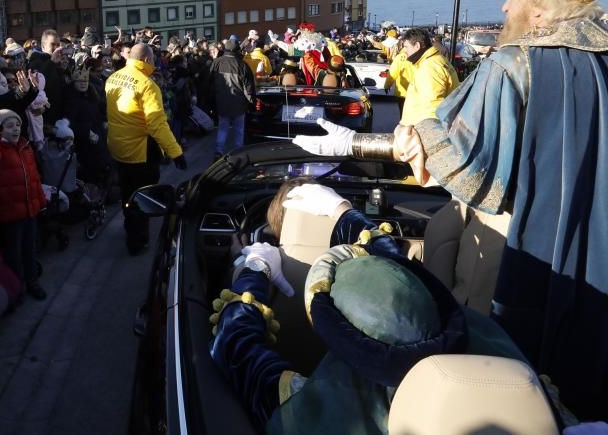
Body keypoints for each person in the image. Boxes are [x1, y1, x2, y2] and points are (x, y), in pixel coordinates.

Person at [293, 0, 608, 420]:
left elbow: (463, 159)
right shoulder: (600, 64)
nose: (503, 9)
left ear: (539, 10)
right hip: (589, 240)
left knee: (488, 356)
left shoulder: (512, 65)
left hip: (516, 238)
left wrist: (355, 143)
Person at [210, 184, 560, 435]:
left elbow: (235, 345)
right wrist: (342, 212)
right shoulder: (481, 342)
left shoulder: (317, 402)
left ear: (329, 317)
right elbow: (397, 263)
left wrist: (254, 271)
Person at [105, 43, 185, 254]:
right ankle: (137, 240)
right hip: (140, 151)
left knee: (126, 192)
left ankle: (129, 224)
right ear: (148, 60)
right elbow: (157, 124)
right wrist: (175, 151)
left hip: (118, 147)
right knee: (143, 197)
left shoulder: (113, 77)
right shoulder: (148, 86)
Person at [0, 109, 47, 299]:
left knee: (30, 248)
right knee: (14, 253)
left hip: (29, 210)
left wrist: (40, 201)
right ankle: (17, 286)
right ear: (1, 130)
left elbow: (35, 179)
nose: (15, 129)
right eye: (9, 126)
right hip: (11, 214)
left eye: (17, 125)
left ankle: (32, 281)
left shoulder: (25, 146)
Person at [397, 28, 459, 125]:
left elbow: (433, 106)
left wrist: (422, 131)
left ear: (417, 46)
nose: (404, 51)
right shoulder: (438, 60)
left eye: (406, 47)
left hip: (420, 130)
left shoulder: (430, 67)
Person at [209, 39, 256, 160]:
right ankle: (237, 153)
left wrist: (212, 101)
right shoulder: (242, 65)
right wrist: (251, 102)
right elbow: (249, 87)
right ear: (237, 50)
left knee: (223, 127)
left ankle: (218, 152)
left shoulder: (216, 62)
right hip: (239, 103)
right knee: (239, 129)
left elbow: (209, 83)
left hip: (221, 101)